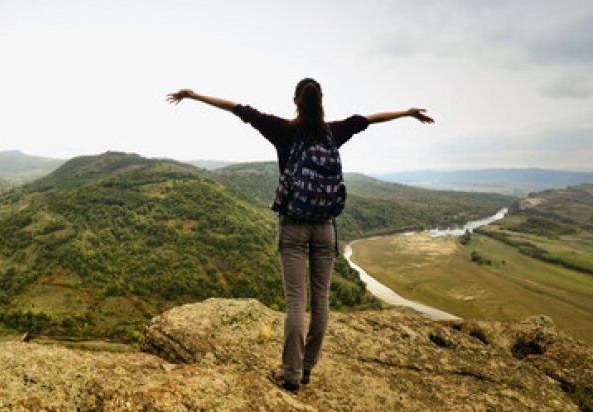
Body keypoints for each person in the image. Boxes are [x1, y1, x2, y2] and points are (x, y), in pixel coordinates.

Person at [166, 78, 433, 393]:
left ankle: (290, 375)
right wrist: (407, 112)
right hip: (325, 227)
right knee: (321, 301)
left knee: (296, 302)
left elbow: (238, 108)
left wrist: (194, 96)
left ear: (296, 100)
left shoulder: (283, 130)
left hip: (292, 225)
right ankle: (307, 369)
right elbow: (369, 119)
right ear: (321, 101)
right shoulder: (335, 131)